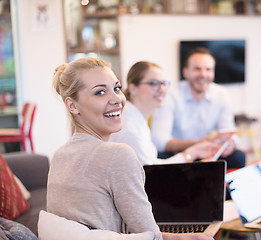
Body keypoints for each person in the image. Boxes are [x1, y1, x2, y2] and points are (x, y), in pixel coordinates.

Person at [47, 57, 214, 240]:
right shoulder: (118, 154)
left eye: (117, 88)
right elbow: (151, 237)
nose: (117, 99)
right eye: (100, 92)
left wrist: (180, 237)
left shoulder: (59, 155)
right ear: (72, 105)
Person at [151, 47, 245, 169]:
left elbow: (230, 132)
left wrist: (229, 145)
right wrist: (197, 145)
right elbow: (159, 141)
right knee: (160, 157)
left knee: (239, 157)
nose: (203, 74)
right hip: (179, 155)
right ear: (185, 72)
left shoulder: (221, 94)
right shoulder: (169, 95)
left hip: (207, 151)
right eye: (197, 69)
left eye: (208, 69)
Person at [110, 61, 219, 165]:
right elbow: (152, 171)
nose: (162, 89)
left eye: (164, 83)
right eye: (154, 83)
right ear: (133, 88)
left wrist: (193, 153)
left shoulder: (136, 118)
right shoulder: (129, 128)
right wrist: (190, 154)